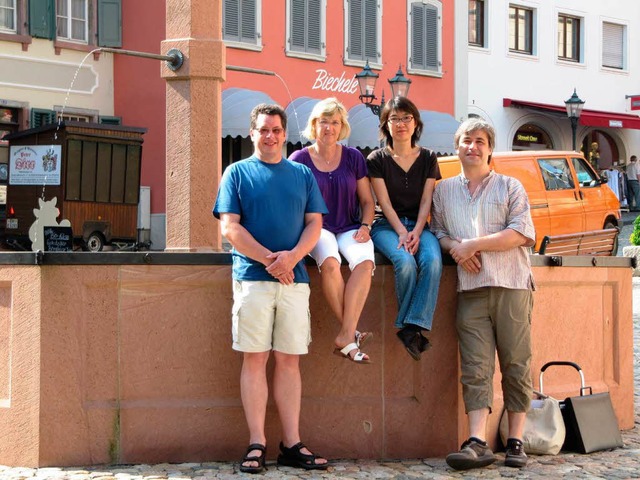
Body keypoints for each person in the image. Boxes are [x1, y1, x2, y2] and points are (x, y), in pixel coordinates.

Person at [213, 103, 329, 473]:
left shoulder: (301, 174)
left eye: (277, 130)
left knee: (289, 361)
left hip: (295, 281)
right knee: (254, 358)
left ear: (284, 134)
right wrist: (271, 260)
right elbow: (229, 228)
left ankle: (292, 443)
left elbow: (315, 224)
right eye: (264, 130)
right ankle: (257, 443)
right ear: (252, 133)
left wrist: (291, 258)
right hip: (252, 280)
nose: (271, 136)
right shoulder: (236, 173)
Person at [430, 117, 535, 470]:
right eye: (466, 140)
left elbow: (520, 232)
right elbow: (439, 232)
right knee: (475, 367)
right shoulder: (443, 191)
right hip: (471, 289)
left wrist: (472, 245)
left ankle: (516, 441)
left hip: (511, 285)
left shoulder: (510, 186)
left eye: (479, 141)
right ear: (457, 146)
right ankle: (478, 441)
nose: (472, 147)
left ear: (490, 148)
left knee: (516, 363)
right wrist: (456, 249)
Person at [289, 98, 375, 364]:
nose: (329, 128)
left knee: (364, 262)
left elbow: (367, 202)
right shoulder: (299, 159)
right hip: (317, 226)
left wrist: (366, 225)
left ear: (342, 127)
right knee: (329, 263)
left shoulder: (353, 157)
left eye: (334, 122)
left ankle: (346, 334)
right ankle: (350, 335)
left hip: (350, 225)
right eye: (323, 122)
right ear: (314, 125)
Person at [367, 96, 443, 361]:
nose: (401, 123)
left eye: (406, 118)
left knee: (433, 261)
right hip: (387, 226)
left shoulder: (429, 158)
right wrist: (401, 231)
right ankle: (412, 329)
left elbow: (426, 200)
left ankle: (410, 327)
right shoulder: (376, 158)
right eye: (394, 118)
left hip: (421, 226)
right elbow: (383, 202)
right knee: (405, 261)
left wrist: (418, 230)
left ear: (416, 122)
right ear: (386, 125)